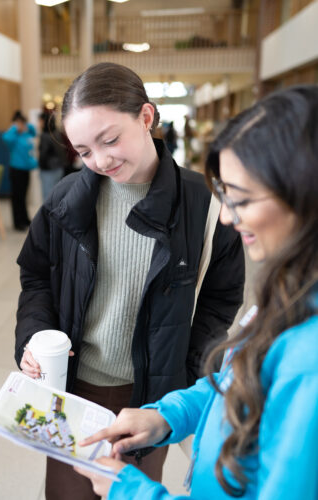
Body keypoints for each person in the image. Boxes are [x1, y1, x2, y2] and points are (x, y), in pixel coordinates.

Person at [14, 62, 245, 500]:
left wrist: (186, 373)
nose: (100, 161)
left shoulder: (205, 205)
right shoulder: (66, 199)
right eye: (83, 150)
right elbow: (37, 277)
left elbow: (221, 298)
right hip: (74, 387)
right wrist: (34, 336)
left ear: (146, 117)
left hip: (150, 396)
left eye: (110, 139)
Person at [75, 85, 318, 499]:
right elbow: (241, 381)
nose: (225, 216)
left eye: (238, 198)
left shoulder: (308, 359)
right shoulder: (291, 289)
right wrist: (169, 415)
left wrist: (130, 490)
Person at [2, 110, 37, 231]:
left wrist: (25, 125)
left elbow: (34, 131)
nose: (21, 125)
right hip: (16, 170)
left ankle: (25, 219)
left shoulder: (26, 134)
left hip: (26, 170)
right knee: (17, 197)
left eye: (22, 123)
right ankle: (18, 222)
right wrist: (14, 127)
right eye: (18, 123)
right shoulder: (13, 137)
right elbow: (5, 137)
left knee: (23, 196)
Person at [38, 110, 68, 201]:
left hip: (48, 169)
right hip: (59, 168)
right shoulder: (57, 133)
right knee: (56, 196)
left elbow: (43, 154)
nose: (39, 123)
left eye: (40, 121)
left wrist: (39, 164)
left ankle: (48, 215)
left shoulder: (45, 135)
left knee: (47, 196)